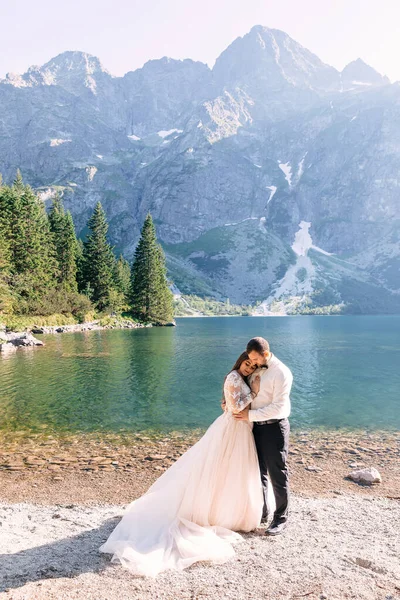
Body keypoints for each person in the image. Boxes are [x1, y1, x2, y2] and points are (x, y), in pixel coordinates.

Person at [100, 352, 271, 576]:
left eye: (252, 364)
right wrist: (255, 393)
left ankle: (231, 509)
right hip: (233, 428)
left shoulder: (242, 378)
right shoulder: (233, 377)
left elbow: (234, 403)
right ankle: (220, 512)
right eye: (246, 363)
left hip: (240, 429)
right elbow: (236, 407)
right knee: (221, 468)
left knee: (230, 471)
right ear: (240, 361)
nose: (249, 367)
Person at [234, 337, 293, 536]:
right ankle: (263, 512)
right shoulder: (258, 368)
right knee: (257, 473)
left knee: (278, 473)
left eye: (255, 359)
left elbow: (279, 407)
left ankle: (281, 518)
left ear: (265, 354)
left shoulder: (282, 372)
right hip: (254, 428)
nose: (253, 363)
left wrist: (249, 415)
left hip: (275, 428)